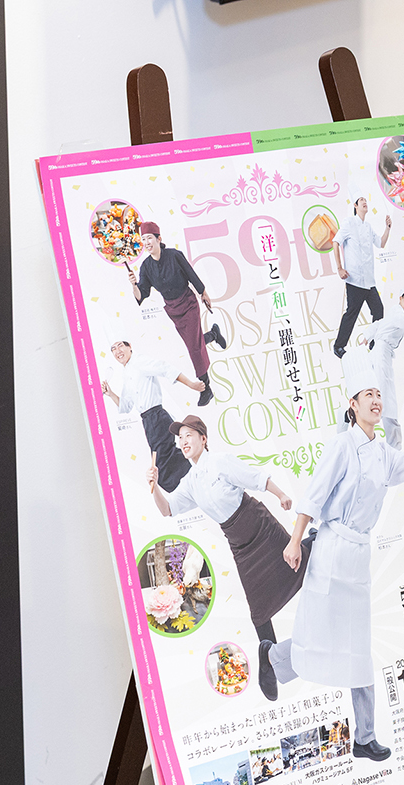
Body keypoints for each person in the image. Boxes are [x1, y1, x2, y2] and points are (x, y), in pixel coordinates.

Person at [260, 361, 404, 762]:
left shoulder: (383, 452)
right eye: (368, 396)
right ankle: (274, 658)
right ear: (353, 404)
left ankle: (365, 736)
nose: (376, 401)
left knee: (358, 648)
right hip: (331, 550)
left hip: (359, 557)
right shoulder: (341, 446)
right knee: (318, 635)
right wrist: (294, 541)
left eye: (379, 395)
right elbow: (313, 495)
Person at [148, 414, 309, 700]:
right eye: (180, 438)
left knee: (301, 565)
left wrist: (281, 495)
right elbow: (167, 510)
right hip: (240, 544)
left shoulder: (220, 462)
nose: (183, 442)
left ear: (203, 439)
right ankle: (270, 662)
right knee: (258, 609)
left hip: (259, 526)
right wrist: (155, 488)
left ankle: (313, 541)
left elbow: (255, 477)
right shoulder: (190, 481)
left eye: (188, 435)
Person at [128, 221, 229, 407]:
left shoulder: (174, 255)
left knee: (193, 347)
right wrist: (134, 285)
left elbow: (191, 274)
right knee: (193, 343)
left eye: (149, 238)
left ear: (159, 239)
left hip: (188, 303)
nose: (146, 242)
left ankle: (206, 388)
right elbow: (142, 295)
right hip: (173, 310)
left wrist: (203, 292)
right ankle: (213, 334)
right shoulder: (146, 267)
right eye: (143, 239)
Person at [101, 340, 203, 492]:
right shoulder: (127, 372)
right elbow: (126, 405)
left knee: (162, 466)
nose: (117, 351)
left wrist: (192, 385)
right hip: (149, 422)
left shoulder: (139, 361)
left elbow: (165, 368)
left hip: (157, 418)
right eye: (113, 349)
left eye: (120, 345)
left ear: (130, 347)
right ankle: (196, 483)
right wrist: (110, 393)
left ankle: (198, 481)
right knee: (166, 461)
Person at [345, 290, 404, 448]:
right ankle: (394, 447)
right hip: (381, 356)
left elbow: (378, 324)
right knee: (385, 399)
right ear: (400, 298)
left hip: (378, 355)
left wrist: (367, 337)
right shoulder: (397, 313)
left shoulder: (392, 314)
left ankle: (348, 417)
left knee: (375, 396)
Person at [332, 192, 392, 357]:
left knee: (378, 310)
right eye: (361, 200)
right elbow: (335, 242)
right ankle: (338, 346)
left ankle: (374, 344)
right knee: (352, 313)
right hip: (354, 279)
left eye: (366, 200)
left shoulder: (368, 227)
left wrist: (387, 228)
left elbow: (381, 243)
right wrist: (339, 268)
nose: (365, 202)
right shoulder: (349, 223)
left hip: (369, 281)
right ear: (355, 206)